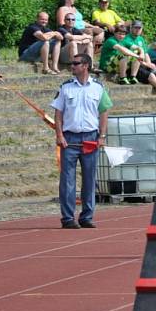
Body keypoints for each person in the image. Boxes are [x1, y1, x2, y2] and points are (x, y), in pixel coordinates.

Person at [51, 53, 112, 229]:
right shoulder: (66, 87)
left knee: (89, 179)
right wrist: (59, 135)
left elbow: (104, 112)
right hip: (69, 137)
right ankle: (68, 217)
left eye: (76, 63)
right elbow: (58, 112)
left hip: (90, 138)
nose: (72, 66)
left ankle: (87, 216)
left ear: (85, 65)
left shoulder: (98, 88)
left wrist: (101, 136)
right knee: (67, 180)